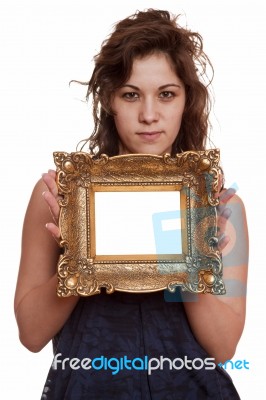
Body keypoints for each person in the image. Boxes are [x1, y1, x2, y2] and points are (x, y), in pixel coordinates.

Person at [14, 9, 248, 400]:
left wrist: (191, 253)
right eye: (131, 94)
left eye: (167, 94)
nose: (149, 115)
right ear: (109, 100)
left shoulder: (222, 204)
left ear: (186, 100)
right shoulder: (59, 196)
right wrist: (80, 248)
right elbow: (31, 334)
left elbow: (223, 348)